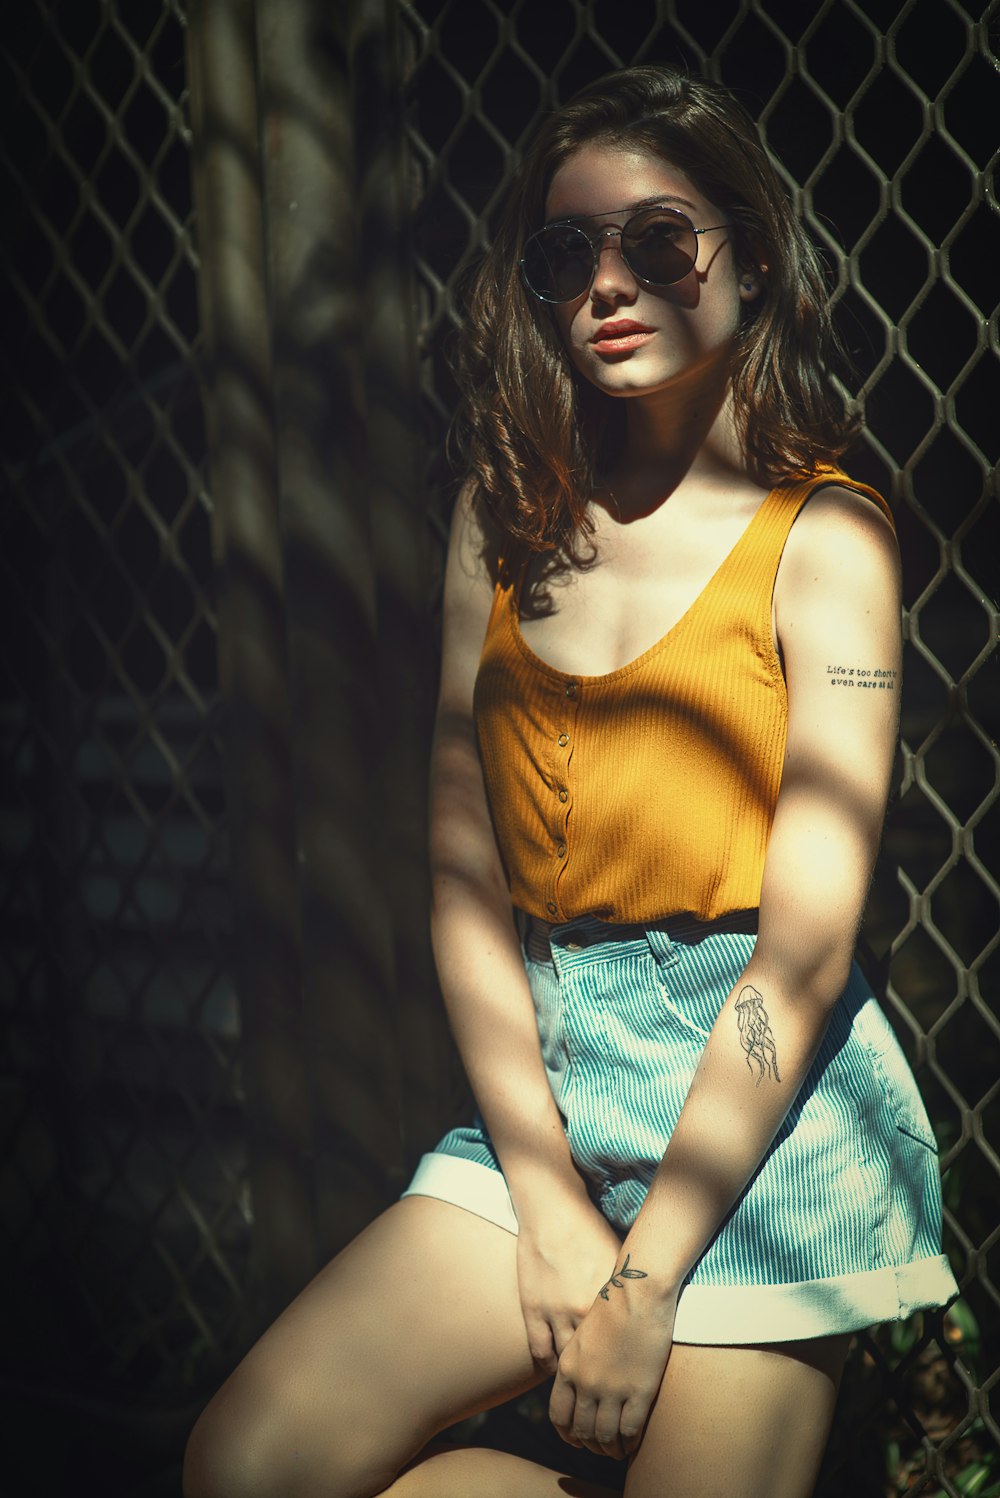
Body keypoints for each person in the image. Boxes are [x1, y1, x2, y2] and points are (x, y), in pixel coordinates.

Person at [183, 65, 958, 1498]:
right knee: (251, 1459)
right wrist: (542, 1196)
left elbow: (803, 951)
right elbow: (466, 877)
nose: (609, 282)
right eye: (566, 256)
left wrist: (646, 1276)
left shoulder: (826, 535)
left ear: (751, 256)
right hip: (556, 1072)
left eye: (658, 241)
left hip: (764, 1109)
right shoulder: (507, 515)